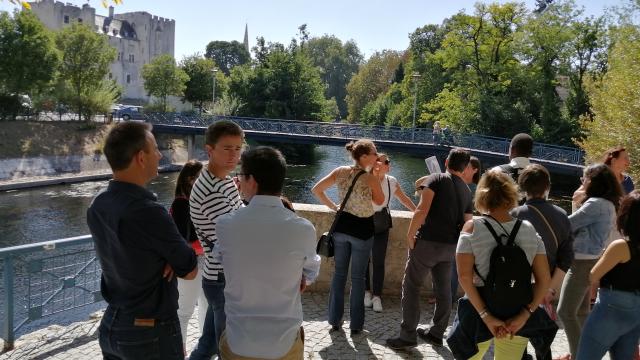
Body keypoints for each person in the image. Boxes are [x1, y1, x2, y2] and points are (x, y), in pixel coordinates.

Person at [87, 122, 198, 360]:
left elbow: (129, 254)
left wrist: (164, 256)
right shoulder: (149, 212)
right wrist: (170, 257)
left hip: (112, 325)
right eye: (155, 149)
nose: (160, 155)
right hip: (150, 334)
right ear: (140, 157)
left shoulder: (98, 204)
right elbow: (189, 270)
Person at [216, 146, 321, 359]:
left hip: (239, 340)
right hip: (283, 342)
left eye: (241, 176)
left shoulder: (226, 225)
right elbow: (310, 274)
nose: (239, 182)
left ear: (252, 181)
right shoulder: (303, 229)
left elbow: (220, 259)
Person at [448, 169, 552, 360]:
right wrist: (525, 315)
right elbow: (544, 279)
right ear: (512, 195)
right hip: (517, 311)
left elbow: (464, 277)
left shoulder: (472, 227)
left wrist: (486, 316)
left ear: (481, 196)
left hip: (478, 312)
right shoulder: (528, 229)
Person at [386, 148, 473, 350]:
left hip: (427, 244)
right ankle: (436, 333)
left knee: (411, 287)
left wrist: (410, 235)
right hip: (450, 247)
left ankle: (407, 335)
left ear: (447, 162)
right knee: (444, 290)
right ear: (465, 167)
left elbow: (422, 209)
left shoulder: (436, 179)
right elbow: (468, 224)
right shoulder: (467, 190)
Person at [311, 139, 384, 335]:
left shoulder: (340, 171)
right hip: (362, 231)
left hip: (342, 228)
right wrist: (375, 176)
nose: (377, 156)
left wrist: (334, 207)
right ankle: (356, 325)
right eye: (374, 153)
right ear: (363, 157)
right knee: (358, 278)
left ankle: (335, 320)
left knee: (339, 274)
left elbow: (316, 189)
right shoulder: (369, 177)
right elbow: (380, 201)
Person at [189, 121, 244, 359]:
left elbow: (240, 216)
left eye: (238, 148)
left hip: (218, 274)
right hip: (221, 277)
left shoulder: (223, 180)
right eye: (227, 148)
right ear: (210, 150)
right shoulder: (212, 188)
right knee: (227, 348)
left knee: (210, 343)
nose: (234, 155)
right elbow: (237, 235)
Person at [557, 163, 623, 359]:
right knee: (581, 312)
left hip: (581, 262)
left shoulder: (595, 203)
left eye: (584, 178)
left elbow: (568, 224)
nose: (582, 181)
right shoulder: (608, 203)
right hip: (592, 259)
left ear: (594, 181)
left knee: (565, 311)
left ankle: (580, 355)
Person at [510, 164, 574, 360]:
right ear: (547, 187)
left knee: (517, 338)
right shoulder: (562, 216)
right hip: (546, 290)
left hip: (518, 289)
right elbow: (566, 258)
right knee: (543, 342)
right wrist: (550, 289)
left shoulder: (514, 215)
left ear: (522, 187)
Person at [577, 191, 640, 360]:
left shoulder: (620, 246)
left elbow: (593, 275)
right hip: (636, 311)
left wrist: (602, 256)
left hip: (611, 306)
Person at [364, 153, 416, 313]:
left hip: (382, 225)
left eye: (388, 161)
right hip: (364, 222)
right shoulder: (365, 179)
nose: (388, 163)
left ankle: (377, 296)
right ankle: (366, 292)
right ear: (376, 164)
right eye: (385, 161)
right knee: (364, 259)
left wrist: (417, 212)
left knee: (379, 260)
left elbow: (404, 198)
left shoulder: (391, 181)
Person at [170, 160, 208, 352]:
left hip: (204, 266)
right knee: (184, 311)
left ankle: (203, 350)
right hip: (190, 267)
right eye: (204, 176)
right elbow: (183, 243)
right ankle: (180, 351)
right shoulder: (181, 204)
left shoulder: (196, 202)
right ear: (191, 179)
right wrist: (210, 246)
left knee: (206, 308)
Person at [572, 146, 634, 211]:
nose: (628, 162)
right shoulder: (598, 177)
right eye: (625, 158)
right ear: (614, 161)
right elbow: (576, 197)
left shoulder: (628, 181)